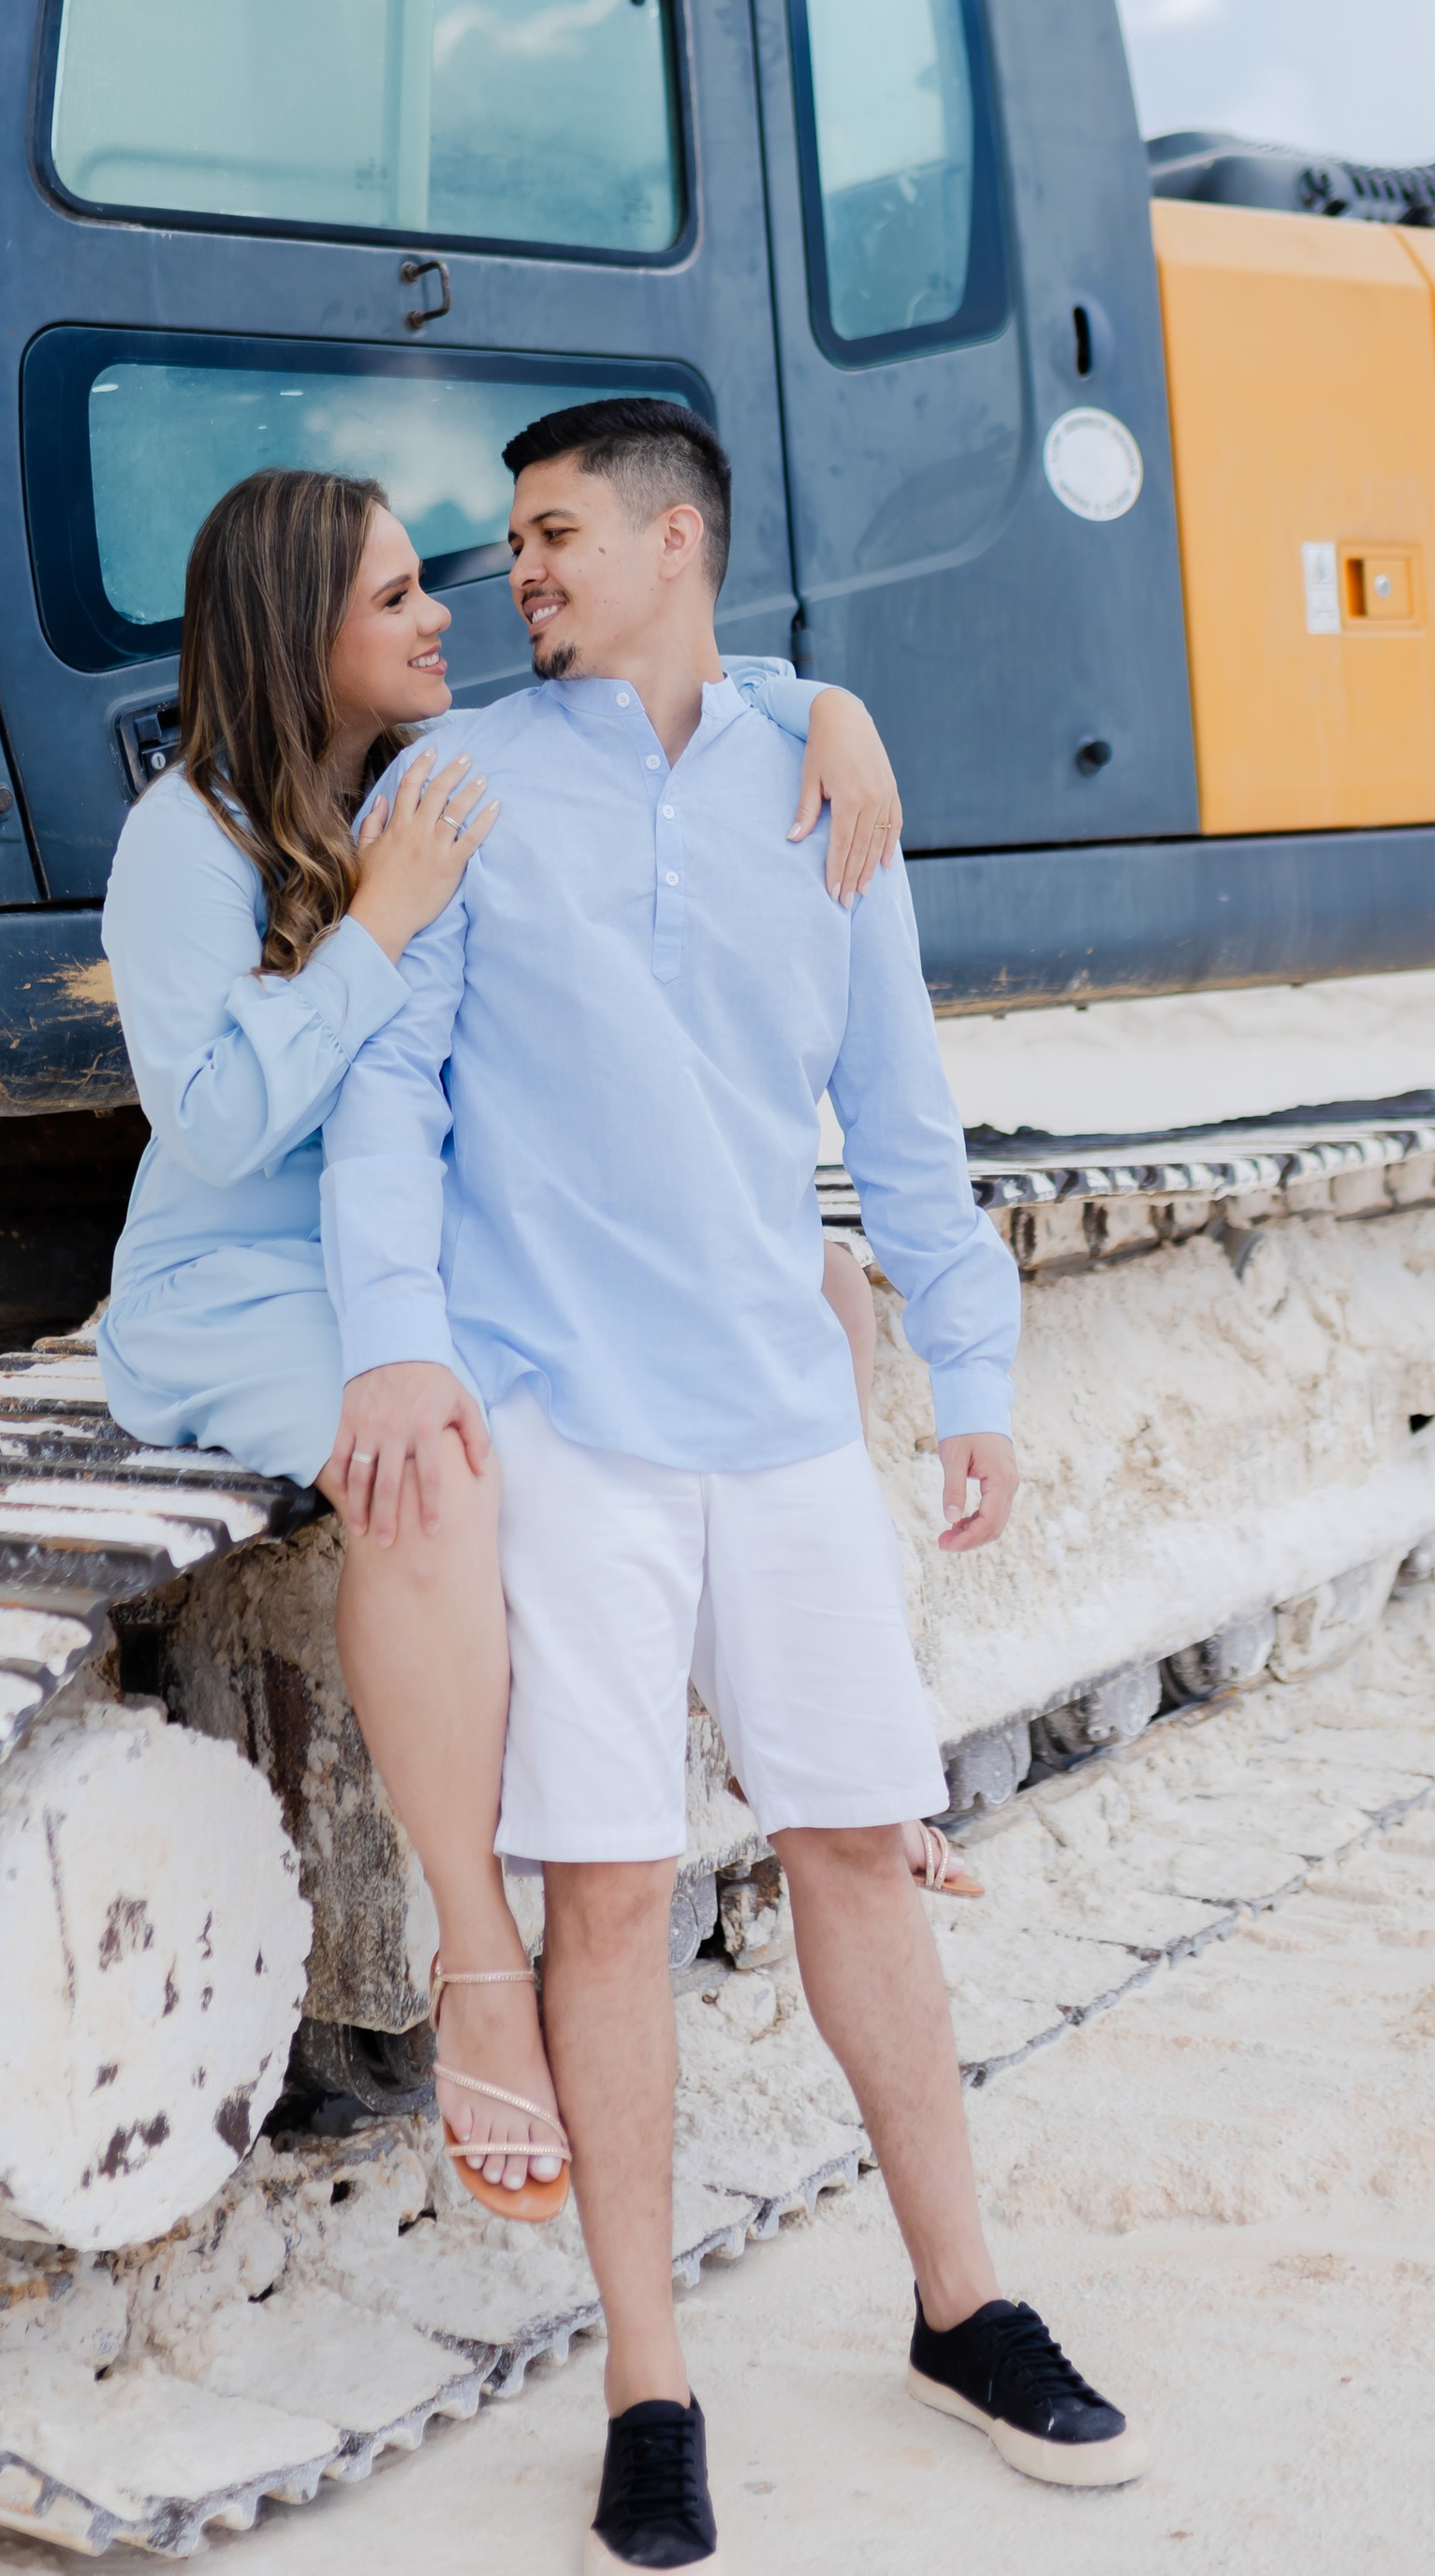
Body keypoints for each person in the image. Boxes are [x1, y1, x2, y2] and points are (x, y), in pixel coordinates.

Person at [319, 398, 1145, 2576]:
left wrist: (964, 1370)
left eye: (556, 533)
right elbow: (386, 1096)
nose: (519, 577)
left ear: (677, 540)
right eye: (505, 546)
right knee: (604, 1895)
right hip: (566, 1423)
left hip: (780, 1421)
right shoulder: (458, 785)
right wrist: (394, 1335)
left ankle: (960, 2305)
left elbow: (894, 1098)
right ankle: (647, 2394)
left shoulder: (813, 774)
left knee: (860, 1846)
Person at [97, 461, 912, 2215]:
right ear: (296, 627)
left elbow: (679, 687)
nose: (442, 612)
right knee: (441, 1479)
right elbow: (220, 1127)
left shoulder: (405, 781)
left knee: (822, 1293)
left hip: (407, 1251)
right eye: (394, 596)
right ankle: (483, 1958)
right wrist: (380, 925)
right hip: (248, 1280)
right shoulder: (188, 838)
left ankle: (816, 1753)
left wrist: (825, 704)